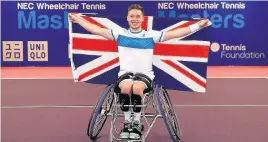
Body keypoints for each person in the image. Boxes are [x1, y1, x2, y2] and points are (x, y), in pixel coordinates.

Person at [69, 4, 209, 140]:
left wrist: (199, 25)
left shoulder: (151, 36)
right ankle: (127, 124)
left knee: (136, 88)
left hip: (145, 76)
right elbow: (97, 30)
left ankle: (136, 124)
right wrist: (77, 19)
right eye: (132, 16)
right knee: (125, 87)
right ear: (127, 18)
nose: (134, 19)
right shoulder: (120, 35)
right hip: (125, 75)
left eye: (137, 16)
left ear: (142, 19)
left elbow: (176, 33)